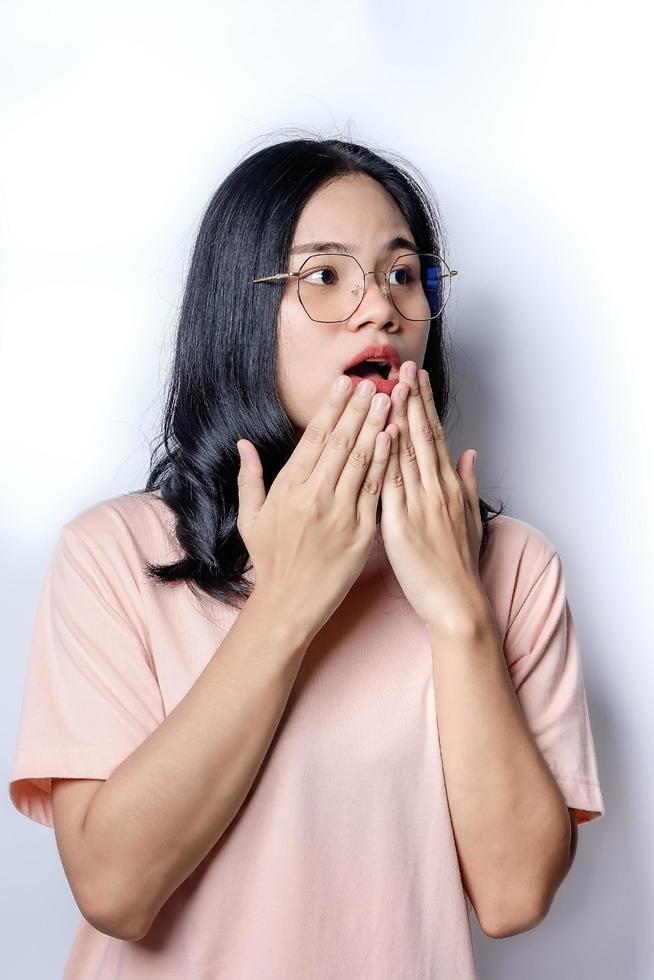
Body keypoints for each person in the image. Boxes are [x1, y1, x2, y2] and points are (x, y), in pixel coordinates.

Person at [8, 132, 605, 979]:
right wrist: (288, 601)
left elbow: (512, 898)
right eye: (325, 275)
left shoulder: (513, 567)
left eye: (403, 273)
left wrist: (458, 610)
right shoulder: (114, 555)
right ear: (239, 315)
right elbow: (113, 889)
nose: (382, 310)